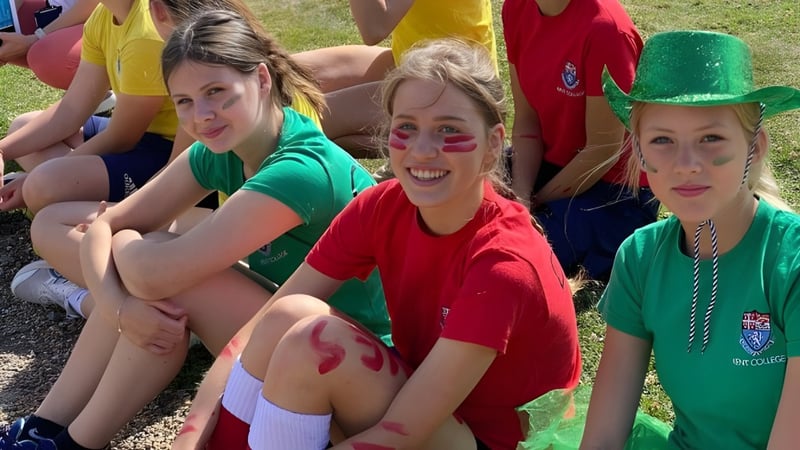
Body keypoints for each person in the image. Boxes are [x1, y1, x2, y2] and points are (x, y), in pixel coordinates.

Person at [0, 10, 389, 450]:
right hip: (308, 335)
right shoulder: (228, 146)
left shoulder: (298, 170)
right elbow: (107, 223)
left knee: (164, 275)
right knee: (150, 278)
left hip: (357, 371)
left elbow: (142, 257)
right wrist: (120, 308)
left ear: (261, 79)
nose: (202, 115)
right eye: (184, 101)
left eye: (217, 92)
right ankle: (46, 428)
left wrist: (127, 247)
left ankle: (71, 442)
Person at [175, 39, 582, 450]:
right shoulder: (382, 206)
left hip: (483, 442)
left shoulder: (503, 264)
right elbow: (257, 330)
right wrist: (188, 441)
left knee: (314, 345)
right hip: (429, 409)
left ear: (494, 144)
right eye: (406, 127)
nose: (422, 150)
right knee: (288, 315)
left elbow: (403, 431)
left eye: (449, 130)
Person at [580, 30, 800, 449]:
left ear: (754, 149)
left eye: (711, 138)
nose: (685, 165)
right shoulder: (640, 257)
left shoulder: (790, 263)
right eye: (662, 140)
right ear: (640, 153)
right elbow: (605, 434)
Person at [502, 0, 658, 281]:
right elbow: (527, 120)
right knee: (462, 188)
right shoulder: (516, 8)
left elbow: (602, 151)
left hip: (614, 188)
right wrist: (520, 197)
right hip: (552, 163)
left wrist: (535, 202)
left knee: (519, 253)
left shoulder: (606, 30)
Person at [0, 0, 192, 215]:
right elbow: (71, 109)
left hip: (170, 152)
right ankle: (70, 193)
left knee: (42, 185)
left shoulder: (145, 33)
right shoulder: (103, 15)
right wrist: (1, 151)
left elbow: (122, 138)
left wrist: (39, 177)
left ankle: (118, 212)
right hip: (141, 136)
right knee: (22, 126)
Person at [292, 0, 497, 156]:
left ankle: (417, 144)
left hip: (455, 85)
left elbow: (374, 26)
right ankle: (404, 144)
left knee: (301, 118)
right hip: (411, 63)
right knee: (282, 73)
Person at [0, 0, 100, 91]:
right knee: (6, 32)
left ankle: (91, 90)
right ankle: (86, 92)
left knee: (45, 54)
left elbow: (98, 3)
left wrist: (36, 38)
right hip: (59, 12)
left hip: (100, 20)